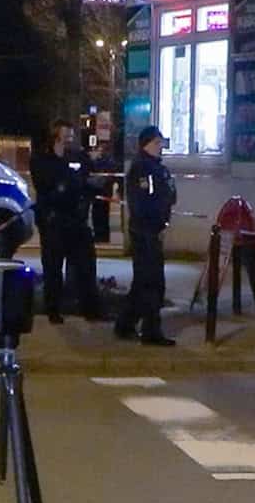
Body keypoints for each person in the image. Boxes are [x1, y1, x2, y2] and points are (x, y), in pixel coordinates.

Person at [31, 120, 104, 322]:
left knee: (86, 266)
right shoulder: (42, 159)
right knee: (53, 268)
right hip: (53, 220)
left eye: (72, 134)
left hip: (77, 219)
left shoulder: (77, 156)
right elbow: (48, 186)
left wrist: (91, 182)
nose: (71, 138)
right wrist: (73, 183)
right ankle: (53, 310)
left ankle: (91, 309)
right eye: (67, 134)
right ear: (56, 135)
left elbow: (89, 177)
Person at [115, 126, 177, 346]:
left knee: (143, 282)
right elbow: (142, 202)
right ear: (146, 144)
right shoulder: (143, 169)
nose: (161, 147)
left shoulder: (156, 168)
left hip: (153, 230)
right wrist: (153, 225)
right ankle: (151, 330)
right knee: (152, 282)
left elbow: (169, 195)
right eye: (157, 143)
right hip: (145, 231)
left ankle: (125, 324)